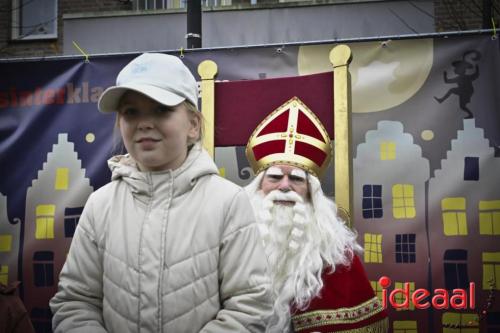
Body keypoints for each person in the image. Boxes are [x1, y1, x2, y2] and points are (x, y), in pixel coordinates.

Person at [50, 53, 272, 332]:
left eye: (160, 109)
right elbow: (75, 302)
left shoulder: (227, 202)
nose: (144, 123)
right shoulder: (100, 205)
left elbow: (251, 304)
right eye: (131, 112)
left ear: (193, 125)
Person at [244, 97, 388, 333]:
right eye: (275, 177)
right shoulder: (231, 234)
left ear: (311, 192)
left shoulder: (335, 249)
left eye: (297, 179)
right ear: (259, 185)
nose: (284, 186)